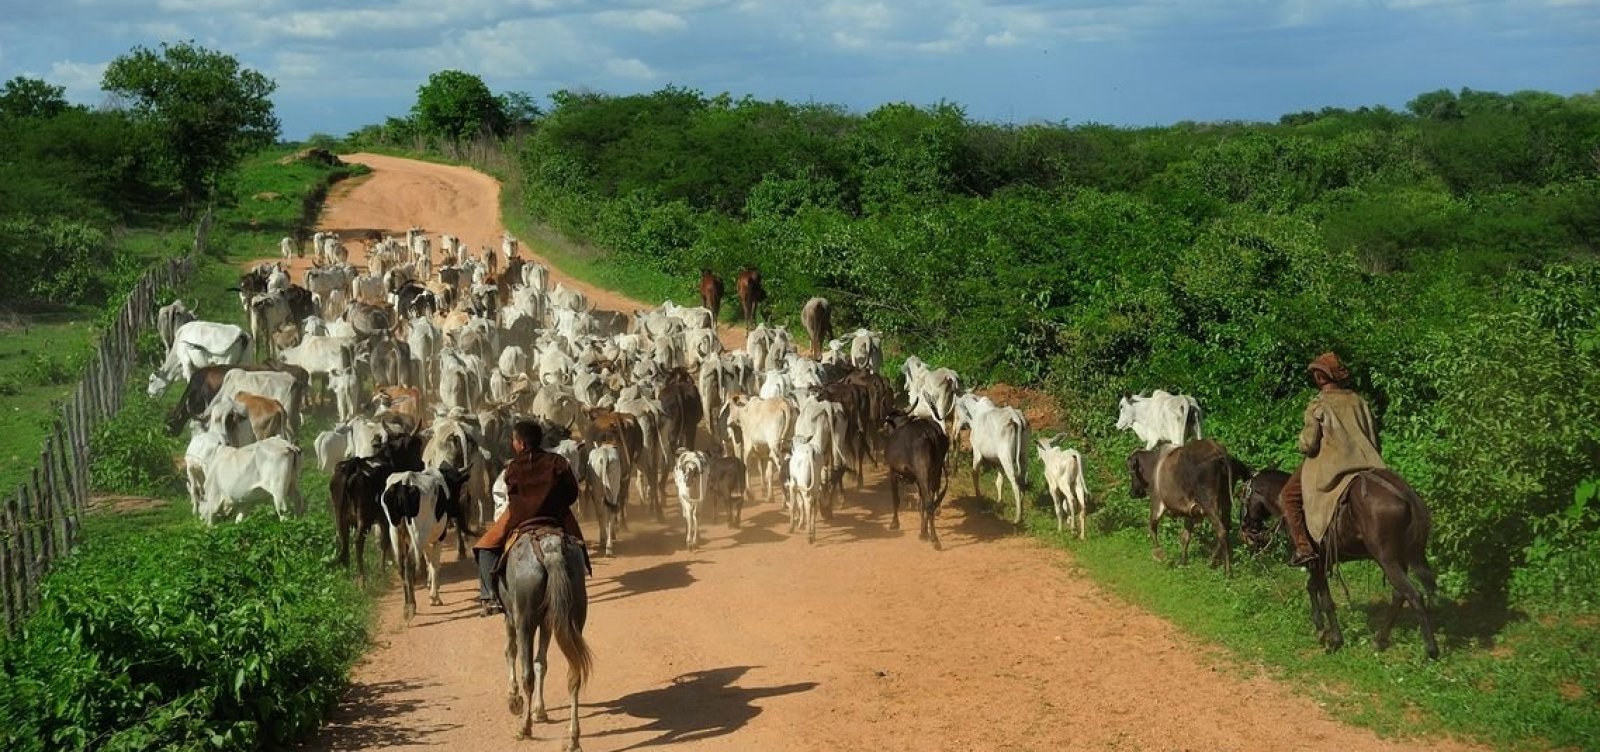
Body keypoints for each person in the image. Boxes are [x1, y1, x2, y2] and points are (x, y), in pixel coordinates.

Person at [1280, 352, 1388, 567]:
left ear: (1321, 377)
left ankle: (1304, 548)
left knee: (1288, 496)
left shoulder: (1319, 404)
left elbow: (1309, 444)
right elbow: (1374, 437)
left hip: (1332, 464)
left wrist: (1301, 441)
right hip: (1367, 462)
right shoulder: (1359, 401)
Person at [473, 420, 585, 615]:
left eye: (514, 440)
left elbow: (512, 497)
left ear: (522, 444)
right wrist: (555, 505)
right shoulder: (558, 462)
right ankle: (581, 573)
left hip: (520, 516)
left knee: (485, 546)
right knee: (578, 543)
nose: (512, 444)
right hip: (556, 515)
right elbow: (572, 493)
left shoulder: (512, 468)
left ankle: (491, 597)